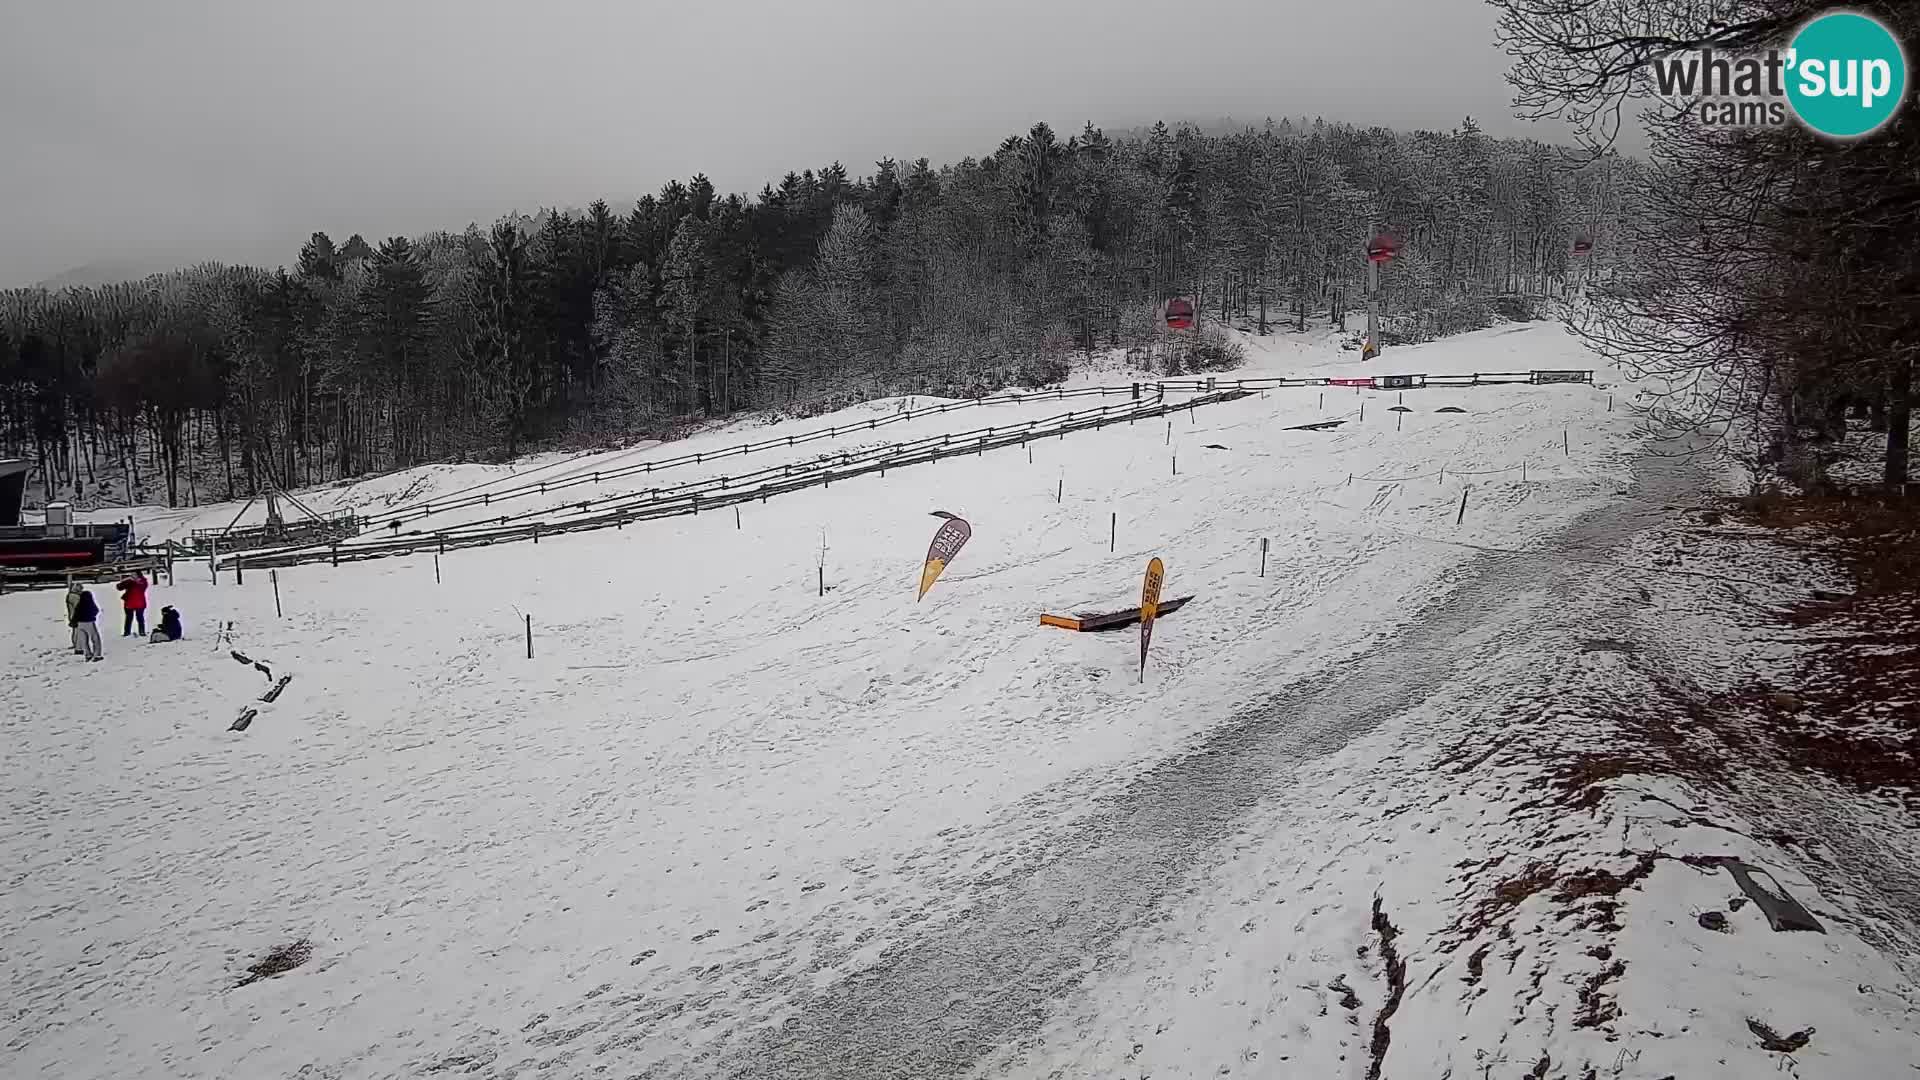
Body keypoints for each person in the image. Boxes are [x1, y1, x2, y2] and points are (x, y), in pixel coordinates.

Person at [71, 587, 102, 662]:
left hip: (80, 624)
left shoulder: (79, 605)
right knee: (95, 638)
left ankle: (88, 655)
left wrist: (74, 622)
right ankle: (97, 655)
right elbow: (96, 610)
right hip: (89, 622)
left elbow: (75, 615)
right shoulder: (90, 603)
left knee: (84, 641)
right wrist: (92, 616)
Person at [116, 570, 149, 637]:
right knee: (128, 619)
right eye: (132, 574)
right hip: (129, 603)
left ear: (139, 575)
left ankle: (142, 632)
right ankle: (127, 632)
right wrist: (124, 581)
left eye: (134, 574)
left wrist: (135, 581)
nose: (133, 576)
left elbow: (143, 587)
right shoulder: (129, 582)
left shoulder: (143, 581)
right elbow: (119, 587)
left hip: (139, 603)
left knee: (140, 618)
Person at [64, 583, 85, 653]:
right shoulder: (75, 597)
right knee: (77, 631)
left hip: (72, 615)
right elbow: (78, 607)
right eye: (80, 589)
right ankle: (77, 645)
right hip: (76, 616)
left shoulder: (70, 595)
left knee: (75, 631)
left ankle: (75, 644)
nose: (81, 590)